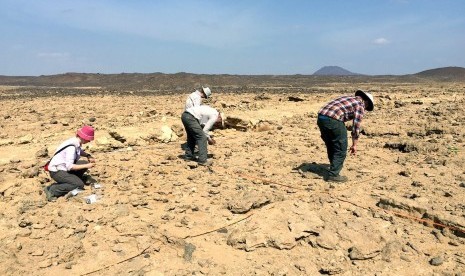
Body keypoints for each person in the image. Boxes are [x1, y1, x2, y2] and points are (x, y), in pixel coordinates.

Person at [317, 90, 374, 183]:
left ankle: (333, 166)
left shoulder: (348, 98)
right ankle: (334, 175)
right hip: (333, 119)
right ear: (366, 101)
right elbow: (356, 127)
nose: (366, 109)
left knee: (331, 143)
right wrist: (354, 145)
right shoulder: (360, 105)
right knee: (341, 147)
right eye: (367, 107)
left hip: (321, 117)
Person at [43, 125, 96, 201]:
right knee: (78, 185)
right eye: (89, 139)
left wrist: (88, 155)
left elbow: (79, 151)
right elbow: (70, 167)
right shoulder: (71, 147)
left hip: (62, 168)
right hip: (57, 171)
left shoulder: (75, 142)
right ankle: (52, 190)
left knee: (83, 163)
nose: (89, 141)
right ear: (84, 138)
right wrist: (88, 165)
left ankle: (74, 179)